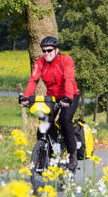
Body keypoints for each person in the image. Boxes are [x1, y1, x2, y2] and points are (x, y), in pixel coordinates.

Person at [20, 36, 80, 172]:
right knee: (44, 123)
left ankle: (72, 154)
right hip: (52, 97)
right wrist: (26, 97)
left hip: (69, 95)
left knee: (65, 120)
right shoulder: (40, 62)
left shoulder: (66, 60)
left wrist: (68, 98)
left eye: (49, 50)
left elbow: (69, 79)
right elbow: (33, 80)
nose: (46, 53)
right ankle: (43, 157)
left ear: (57, 50)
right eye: (44, 51)